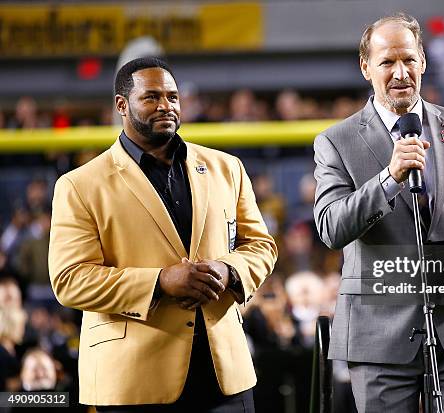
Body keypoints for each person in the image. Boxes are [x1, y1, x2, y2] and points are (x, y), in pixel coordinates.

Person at [48, 57, 277, 411]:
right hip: (133, 379)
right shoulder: (79, 185)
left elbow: (261, 246)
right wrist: (159, 282)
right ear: (122, 105)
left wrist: (229, 270)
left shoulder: (227, 168)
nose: (165, 106)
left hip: (225, 375)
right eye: (151, 97)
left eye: (172, 96)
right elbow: (69, 280)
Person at [313, 13, 444, 412]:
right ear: (366, 67)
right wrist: (389, 177)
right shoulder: (336, 141)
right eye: (387, 62)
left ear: (423, 61)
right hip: (377, 337)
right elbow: (331, 227)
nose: (400, 73)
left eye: (409, 60)